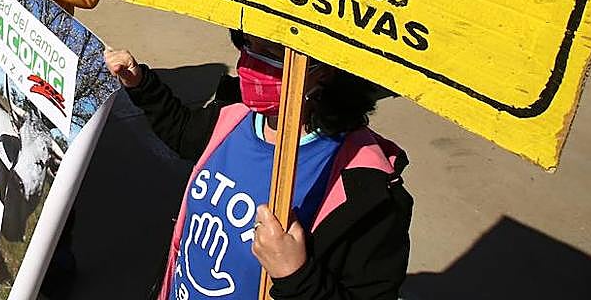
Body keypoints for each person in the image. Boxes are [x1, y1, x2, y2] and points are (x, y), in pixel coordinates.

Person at [104, 31, 412, 300]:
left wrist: (296, 276)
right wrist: (141, 83)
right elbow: (184, 133)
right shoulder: (235, 116)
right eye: (247, 44)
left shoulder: (366, 191)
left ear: (328, 68)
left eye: (272, 54)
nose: (249, 64)